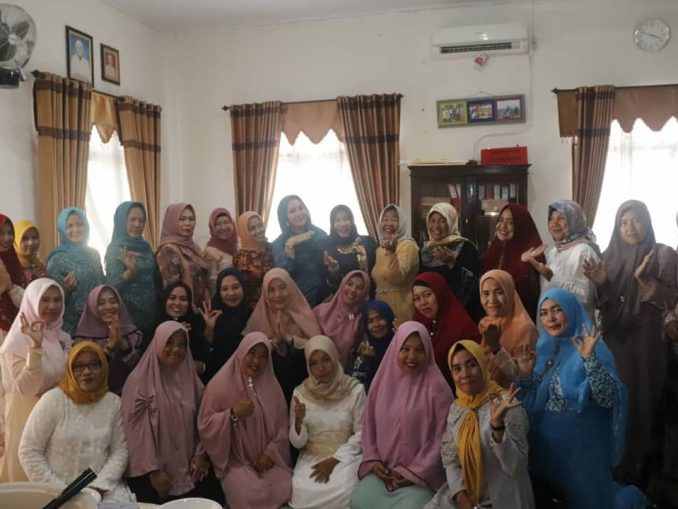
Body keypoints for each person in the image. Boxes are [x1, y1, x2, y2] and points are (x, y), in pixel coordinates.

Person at [514, 288, 645, 509]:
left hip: (581, 452)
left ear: (571, 310)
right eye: (544, 313)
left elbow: (608, 399)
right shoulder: (544, 349)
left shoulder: (591, 347)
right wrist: (526, 377)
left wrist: (589, 360)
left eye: (557, 310)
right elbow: (531, 400)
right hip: (546, 451)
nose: (550, 318)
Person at [583, 200, 678, 485]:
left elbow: (671, 299)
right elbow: (605, 307)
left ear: (646, 222)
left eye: (636, 220)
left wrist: (645, 279)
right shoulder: (608, 257)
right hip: (616, 341)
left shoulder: (663, 255)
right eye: (623, 222)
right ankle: (617, 464)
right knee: (616, 398)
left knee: (644, 401)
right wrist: (602, 283)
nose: (630, 227)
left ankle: (642, 469)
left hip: (648, 344)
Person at [350, 321, 454, 509]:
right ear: (395, 349)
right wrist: (373, 460)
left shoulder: (439, 389)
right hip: (384, 472)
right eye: (405, 349)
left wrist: (414, 472)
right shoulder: (382, 382)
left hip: (422, 477)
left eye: (419, 350)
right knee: (359, 500)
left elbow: (443, 438)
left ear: (428, 351)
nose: (411, 356)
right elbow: (369, 426)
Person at [18, 341, 134, 502]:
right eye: (78, 366)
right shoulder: (53, 400)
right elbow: (29, 451)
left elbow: (120, 451)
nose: (87, 372)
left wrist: (98, 488)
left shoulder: (113, 402)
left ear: (103, 367)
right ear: (70, 370)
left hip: (102, 492)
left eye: (94, 365)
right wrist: (61, 492)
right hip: (54, 492)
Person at [425, 340, 534, 509]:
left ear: (483, 365)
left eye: (471, 365)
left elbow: (516, 468)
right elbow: (451, 459)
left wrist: (497, 428)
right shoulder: (457, 408)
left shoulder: (506, 405)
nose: (465, 374)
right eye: (457, 369)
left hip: (503, 499)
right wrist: (460, 495)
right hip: (467, 496)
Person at [121, 321, 215, 504]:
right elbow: (135, 432)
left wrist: (201, 453)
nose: (175, 349)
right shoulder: (138, 381)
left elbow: (204, 418)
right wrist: (153, 471)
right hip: (151, 475)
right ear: (158, 343)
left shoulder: (192, 380)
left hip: (190, 470)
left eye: (182, 344)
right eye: (169, 343)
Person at [198, 331, 292, 509]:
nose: (256, 361)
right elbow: (206, 424)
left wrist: (270, 453)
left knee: (288, 485)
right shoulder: (219, 386)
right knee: (249, 495)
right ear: (242, 352)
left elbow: (283, 426)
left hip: (268, 460)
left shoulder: (272, 386)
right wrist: (232, 413)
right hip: (236, 462)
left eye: (263, 356)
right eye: (252, 353)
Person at [0, 279, 71, 482]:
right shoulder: (17, 340)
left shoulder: (61, 337)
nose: (52, 306)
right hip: (26, 417)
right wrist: (35, 348)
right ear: (31, 301)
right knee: (28, 479)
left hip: (55, 416)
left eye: (57, 300)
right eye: (45, 300)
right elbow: (25, 389)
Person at [289, 335, 365, 509]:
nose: (321, 368)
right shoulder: (300, 393)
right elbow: (298, 443)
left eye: (325, 360)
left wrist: (334, 460)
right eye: (313, 363)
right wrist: (298, 422)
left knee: (345, 489)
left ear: (335, 358)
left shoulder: (354, 390)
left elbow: (362, 433)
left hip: (345, 456)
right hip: (311, 456)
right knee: (302, 491)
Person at [244, 268, 321, 403]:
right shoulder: (258, 318)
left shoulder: (304, 313)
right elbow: (249, 357)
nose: (277, 295)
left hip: (305, 391)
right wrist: (275, 341)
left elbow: (318, 350)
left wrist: (289, 338)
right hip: (267, 392)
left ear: (291, 288)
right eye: (271, 290)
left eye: (282, 288)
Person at [522, 200, 600, 319]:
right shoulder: (554, 251)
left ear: (574, 221)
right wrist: (526, 263)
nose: (554, 223)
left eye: (561, 218)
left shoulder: (585, 251)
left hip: (574, 324)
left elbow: (585, 298)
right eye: (551, 219)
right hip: (549, 323)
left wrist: (552, 278)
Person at [412, 272, 480, 385]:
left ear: (440, 294)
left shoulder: (462, 327)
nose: (423, 302)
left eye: (427, 295)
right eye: (417, 298)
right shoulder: (418, 323)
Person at [73, 285, 143, 394]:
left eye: (113, 301)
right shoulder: (82, 340)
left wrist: (122, 343)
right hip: (93, 396)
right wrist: (110, 346)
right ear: (92, 306)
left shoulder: (132, 334)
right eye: (101, 303)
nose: (108, 307)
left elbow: (139, 370)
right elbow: (88, 373)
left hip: (128, 394)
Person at [104, 201, 159, 339]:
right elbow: (111, 287)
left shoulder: (146, 247)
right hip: (126, 320)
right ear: (122, 221)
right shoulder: (115, 250)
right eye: (132, 219)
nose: (137, 224)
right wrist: (128, 272)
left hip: (150, 317)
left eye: (141, 220)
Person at [46, 207, 104, 335]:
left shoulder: (94, 254)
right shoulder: (56, 259)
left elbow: (101, 282)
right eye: (69, 226)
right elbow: (51, 300)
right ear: (62, 229)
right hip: (71, 326)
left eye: (79, 224)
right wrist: (66, 289)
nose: (76, 229)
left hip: (97, 319)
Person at [419, 203, 481, 320]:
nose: (436, 226)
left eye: (442, 221)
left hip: (459, 312)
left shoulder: (465, 247)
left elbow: (473, 285)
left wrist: (452, 263)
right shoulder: (425, 250)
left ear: (451, 221)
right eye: (432, 221)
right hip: (431, 313)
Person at [481, 204, 544, 320]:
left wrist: (523, 264)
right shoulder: (493, 250)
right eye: (501, 220)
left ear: (521, 226)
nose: (503, 226)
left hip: (519, 321)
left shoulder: (532, 256)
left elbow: (528, 297)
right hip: (492, 319)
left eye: (510, 222)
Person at [478, 270, 538, 388]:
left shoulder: (525, 329)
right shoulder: (486, 323)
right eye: (486, 294)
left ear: (509, 293)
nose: (492, 300)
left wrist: (497, 349)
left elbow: (523, 377)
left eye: (499, 292)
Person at [272, 195, 328, 307]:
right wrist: (291, 244)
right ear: (285, 217)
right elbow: (285, 275)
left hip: (324, 299)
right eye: (292, 211)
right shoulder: (279, 243)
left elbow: (327, 268)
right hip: (296, 302)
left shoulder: (320, 234)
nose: (299, 213)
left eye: (301, 208)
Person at [155, 203, 209, 310]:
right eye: (182, 219)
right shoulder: (168, 251)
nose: (188, 223)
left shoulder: (194, 248)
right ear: (172, 221)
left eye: (191, 219)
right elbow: (171, 288)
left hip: (201, 309)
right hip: (181, 310)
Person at [200, 268, 251, 382]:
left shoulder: (252, 315)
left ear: (243, 287)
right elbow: (203, 356)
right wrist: (209, 329)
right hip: (217, 377)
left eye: (235, 287)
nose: (231, 293)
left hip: (246, 376)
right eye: (224, 289)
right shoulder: (211, 314)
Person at [313, 270, 371, 370]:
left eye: (359, 288)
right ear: (342, 284)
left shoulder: (363, 319)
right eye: (349, 284)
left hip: (347, 375)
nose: (353, 290)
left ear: (364, 293)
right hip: (319, 372)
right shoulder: (320, 312)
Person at [371, 204, 419, 322]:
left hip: (400, 307)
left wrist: (392, 253)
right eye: (385, 219)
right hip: (380, 308)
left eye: (394, 219)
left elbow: (397, 278)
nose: (389, 223)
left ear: (401, 223)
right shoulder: (379, 249)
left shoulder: (408, 246)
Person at [158, 281, 209, 378]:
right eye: (172, 298)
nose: (177, 303)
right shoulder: (155, 326)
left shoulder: (195, 324)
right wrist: (171, 332)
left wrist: (209, 329)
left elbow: (202, 361)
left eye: (183, 299)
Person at [321, 205, 377, 293]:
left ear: (352, 221)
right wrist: (334, 271)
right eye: (337, 220)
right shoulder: (328, 249)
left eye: (346, 219)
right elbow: (331, 286)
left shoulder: (368, 242)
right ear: (332, 224)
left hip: (371, 297)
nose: (342, 224)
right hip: (345, 299)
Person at [233, 211, 275, 309]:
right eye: (252, 228)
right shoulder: (241, 256)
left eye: (260, 225)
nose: (258, 230)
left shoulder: (271, 247)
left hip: (276, 301)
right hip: (254, 307)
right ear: (244, 231)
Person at [352, 300, 395, 393]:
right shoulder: (365, 350)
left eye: (380, 318)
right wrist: (364, 361)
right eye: (370, 321)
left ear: (389, 318)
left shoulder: (401, 346)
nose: (376, 325)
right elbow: (357, 388)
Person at [204, 208, 237, 295]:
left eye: (227, 222)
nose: (223, 227)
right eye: (218, 224)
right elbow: (212, 283)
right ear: (212, 227)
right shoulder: (210, 252)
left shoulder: (239, 243)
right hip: (225, 296)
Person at [0, 215, 24, 334]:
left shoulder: (14, 260)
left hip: (19, 324)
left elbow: (25, 300)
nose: (7, 238)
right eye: (1, 233)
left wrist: (10, 287)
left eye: (10, 233)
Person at [13, 219, 47, 286]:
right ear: (16, 240)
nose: (31, 243)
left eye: (34, 237)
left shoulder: (37, 262)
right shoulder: (12, 266)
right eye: (25, 238)